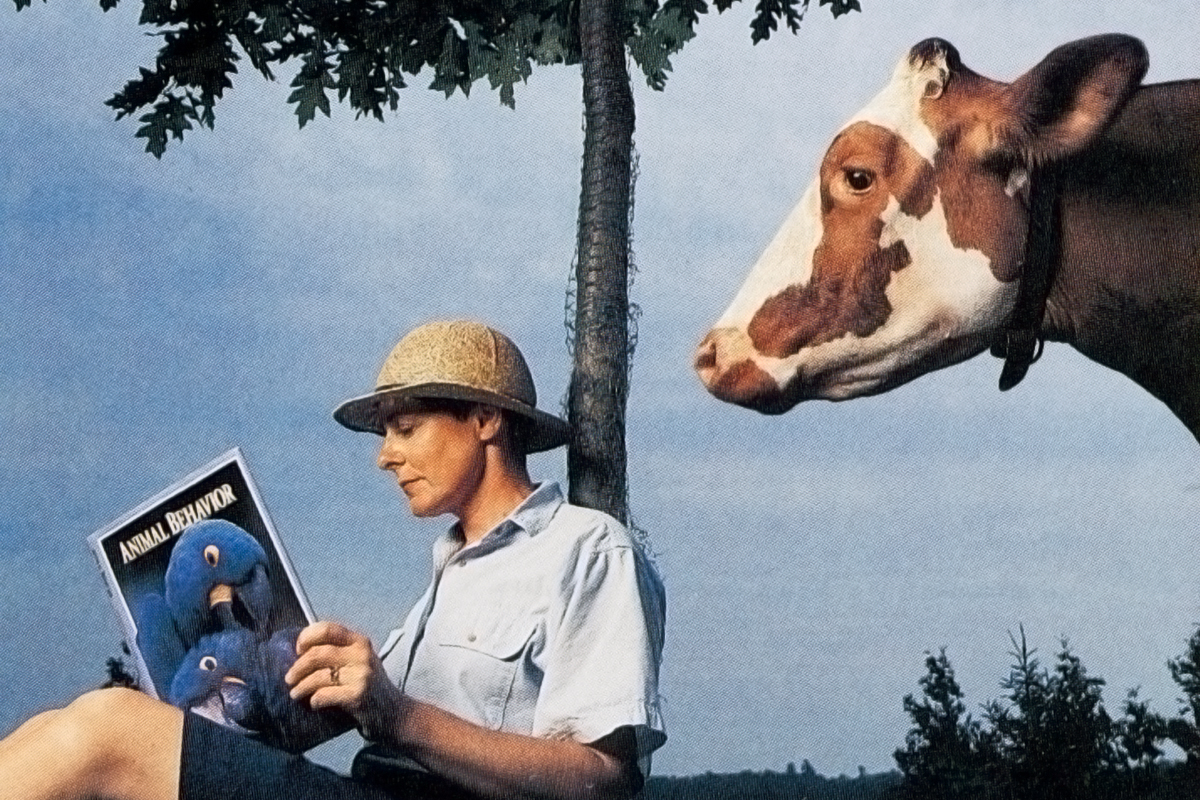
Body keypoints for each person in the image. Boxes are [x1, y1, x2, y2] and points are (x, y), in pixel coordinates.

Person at [0, 319, 666, 800]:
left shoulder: (586, 549)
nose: (386, 456)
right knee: (64, 727)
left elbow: (601, 780)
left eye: (406, 429)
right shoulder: (450, 575)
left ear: (486, 421)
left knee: (109, 730)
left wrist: (397, 716)